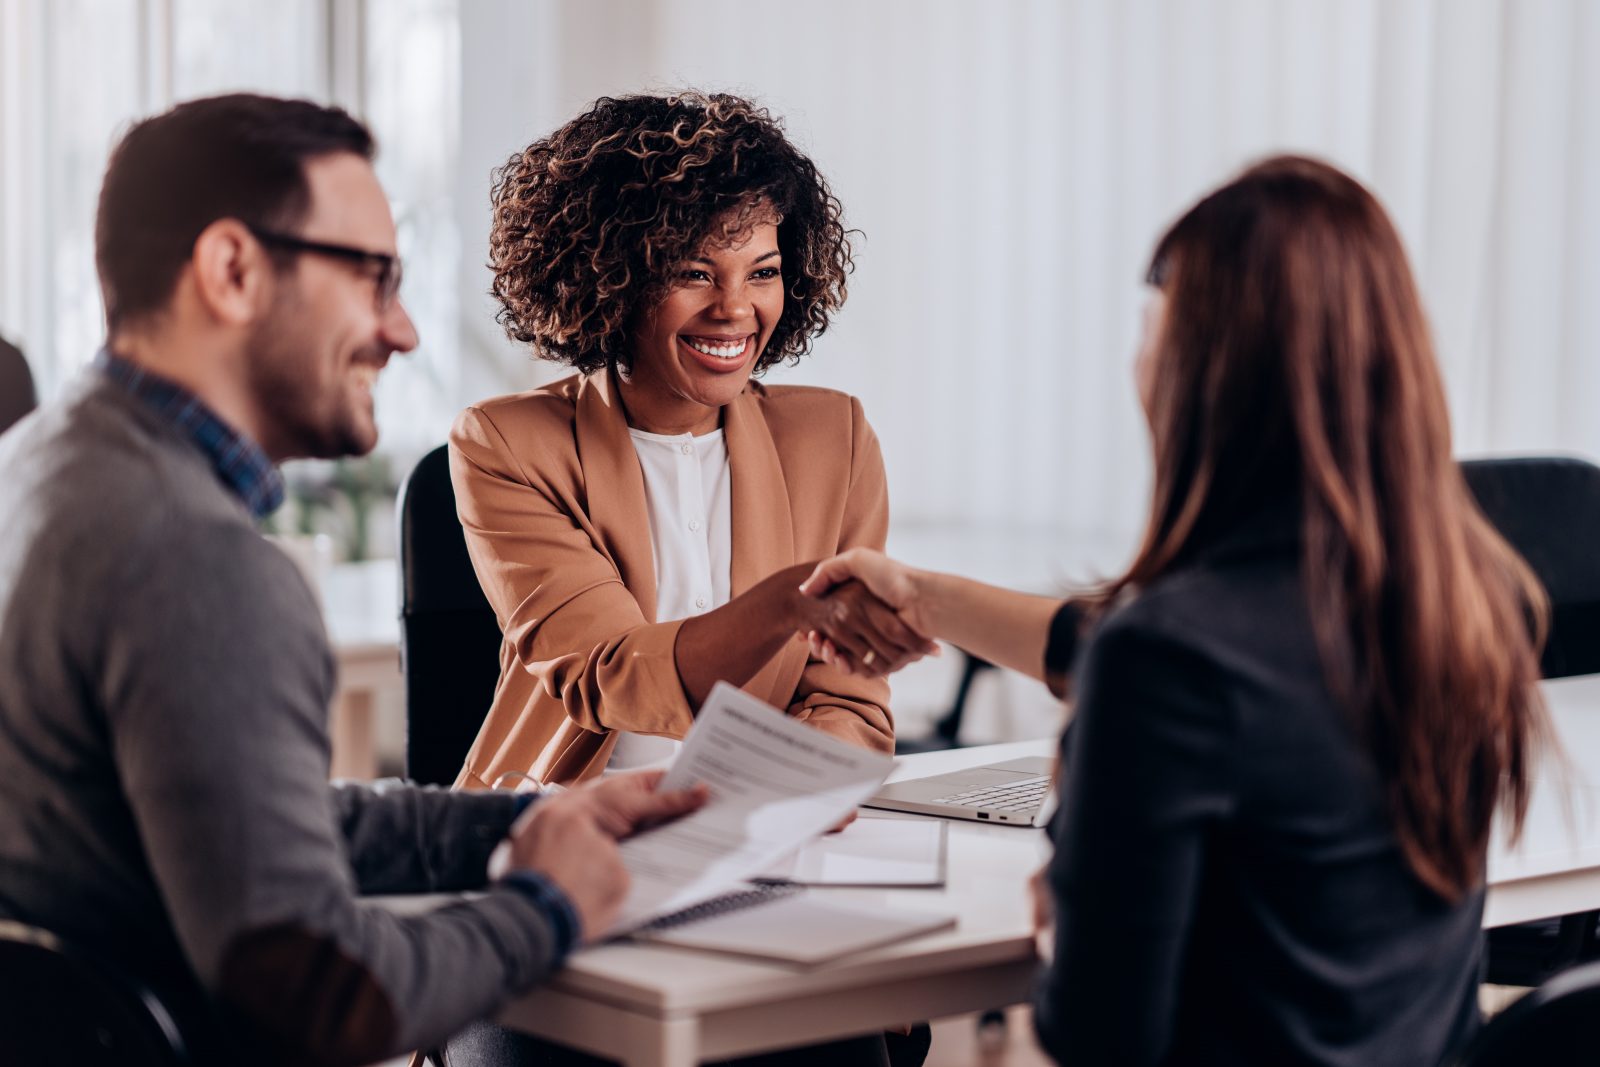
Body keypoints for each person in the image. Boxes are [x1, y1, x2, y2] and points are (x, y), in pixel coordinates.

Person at [0, 93, 706, 1067]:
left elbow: (246, 819)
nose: (404, 330)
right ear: (233, 270)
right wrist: (544, 906)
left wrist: (525, 817)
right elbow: (320, 994)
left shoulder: (39, 465)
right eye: (374, 278)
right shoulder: (194, 558)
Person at [800, 156, 1549, 1066]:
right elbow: (1130, 650)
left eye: (1157, 324)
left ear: (1206, 372)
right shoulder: (1462, 604)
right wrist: (923, 595)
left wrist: (1062, 913)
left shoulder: (1171, 657)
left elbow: (1097, 1033)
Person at [450, 90, 931, 792]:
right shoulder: (508, 444)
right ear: (612, 277)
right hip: (568, 823)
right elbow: (609, 671)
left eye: (762, 272)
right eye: (693, 272)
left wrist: (796, 797)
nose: (736, 309)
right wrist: (789, 603)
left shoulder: (837, 438)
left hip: (760, 828)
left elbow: (847, 698)